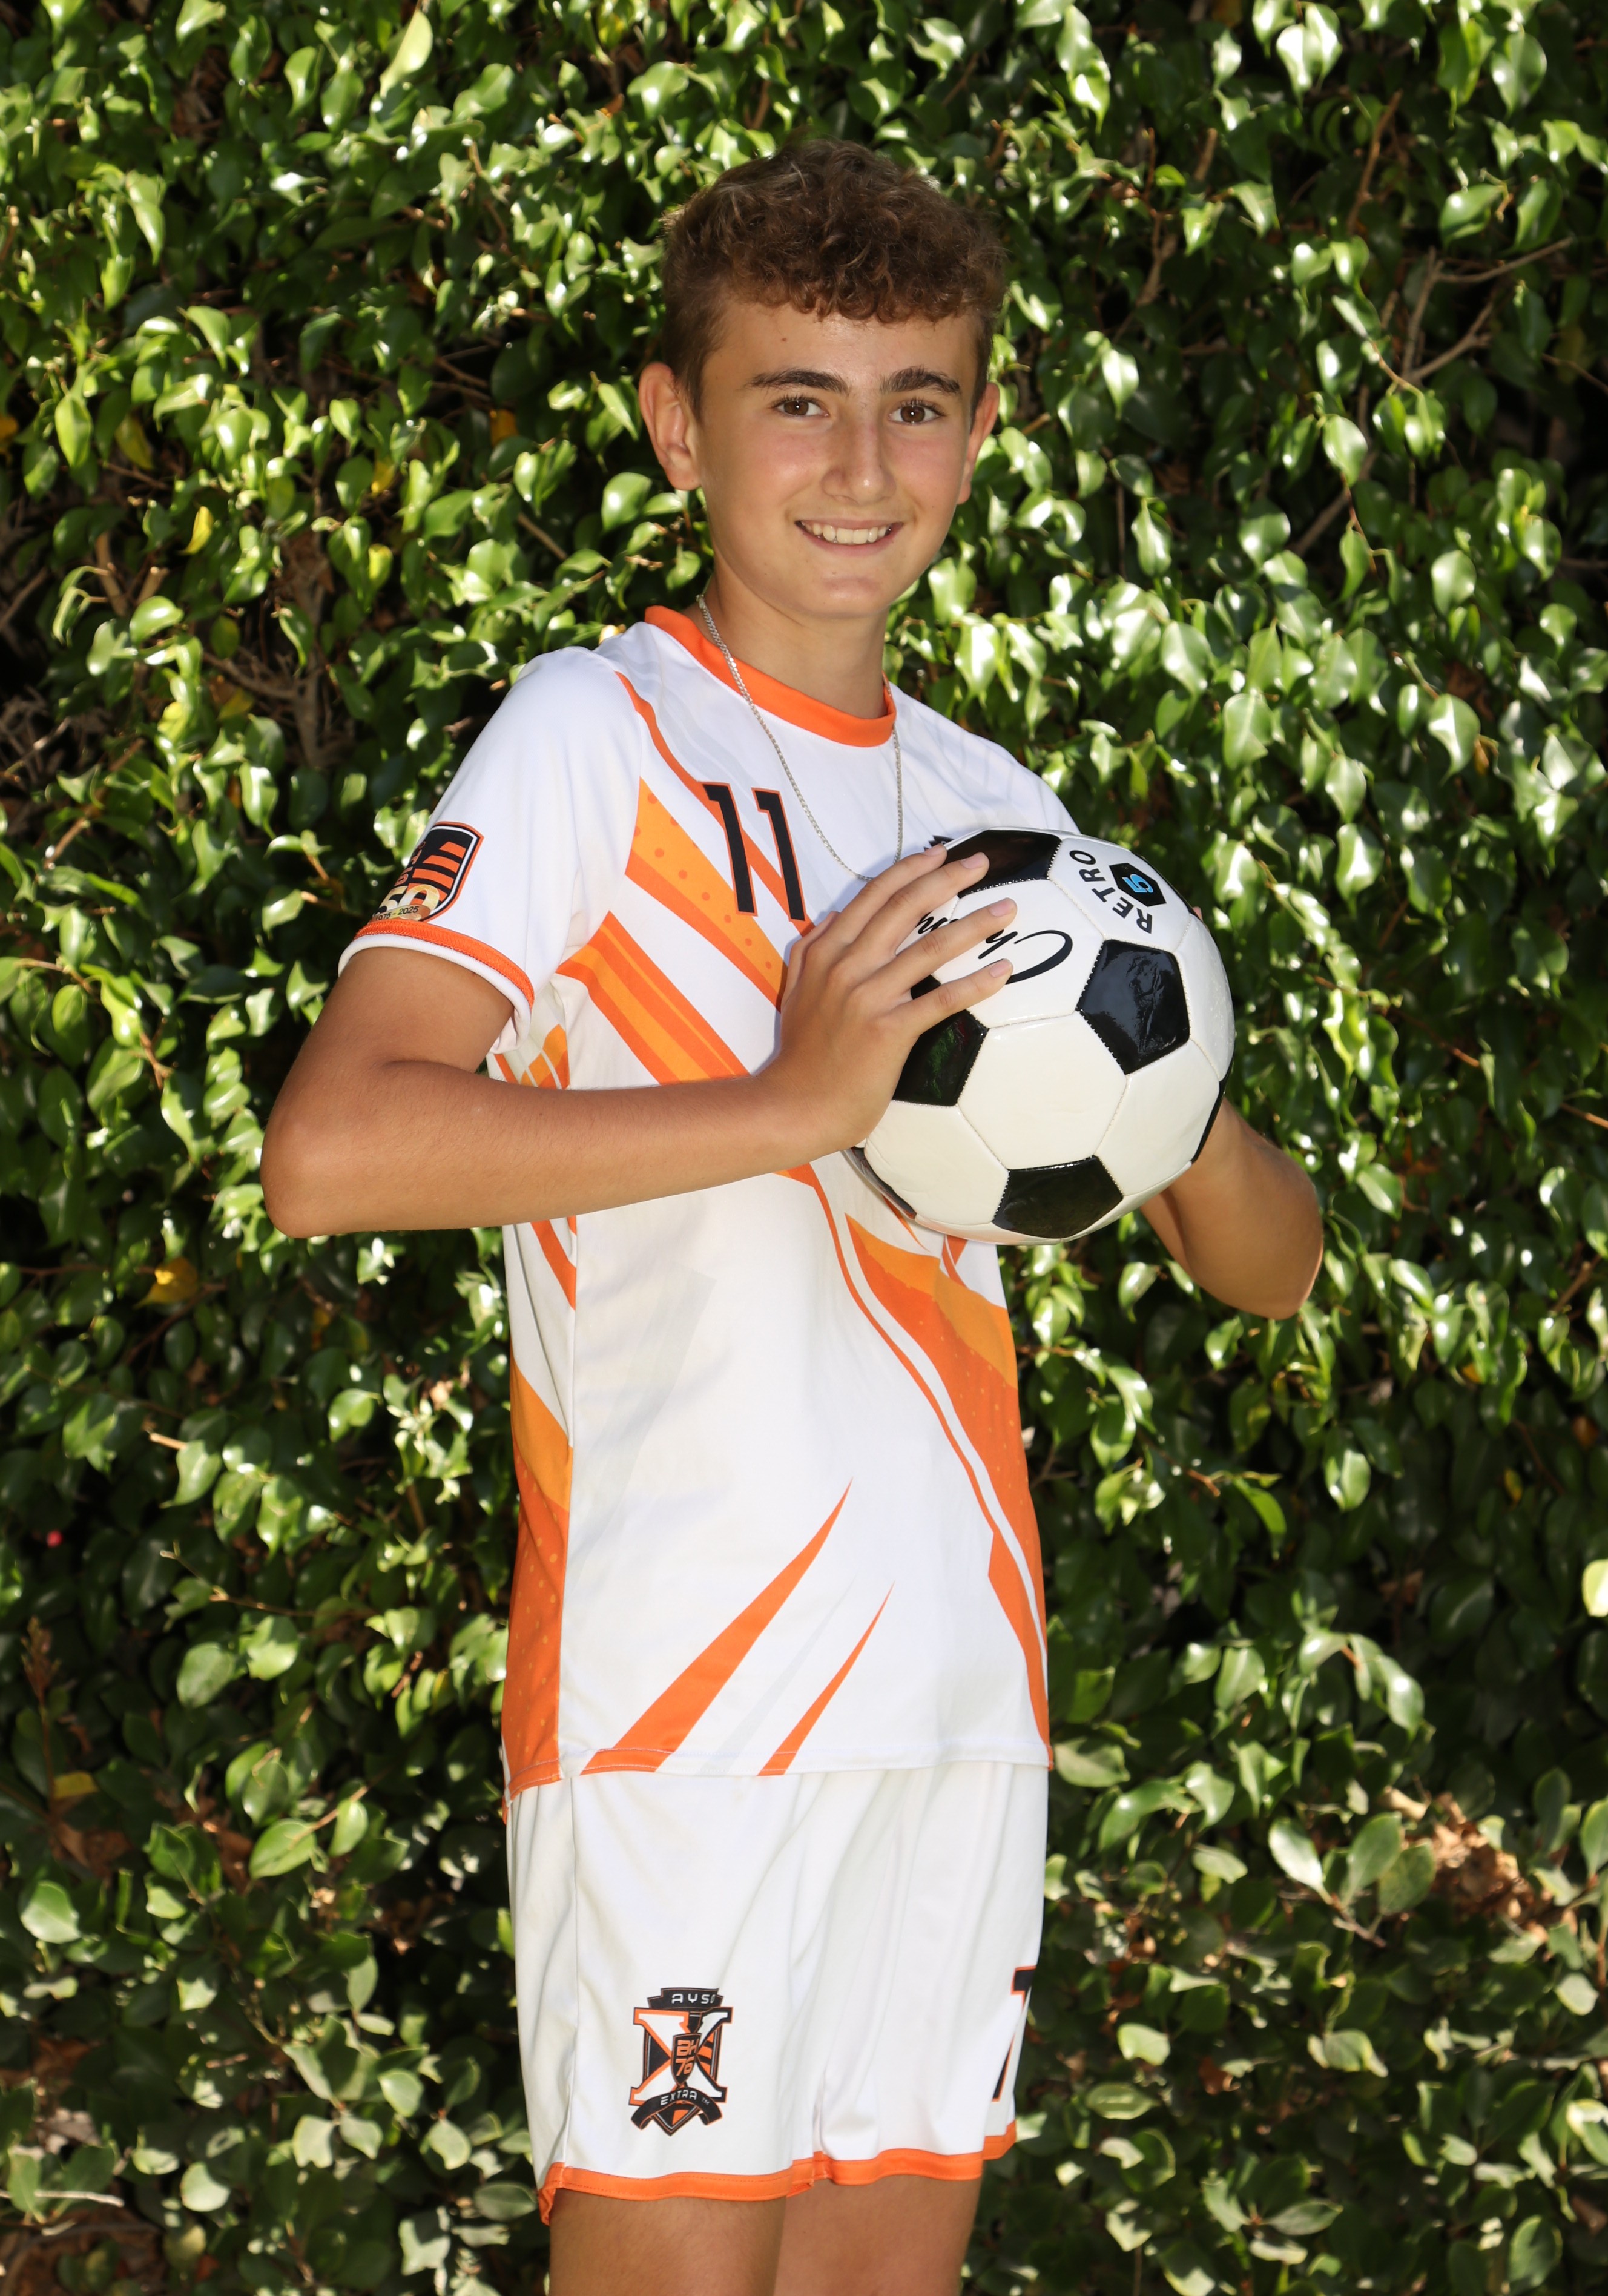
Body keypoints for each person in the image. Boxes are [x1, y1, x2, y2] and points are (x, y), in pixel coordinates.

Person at [262, 140, 1322, 2296]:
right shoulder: (596, 734)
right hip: (688, 1716)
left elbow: (1269, 1267)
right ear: (681, 426)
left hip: (957, 1709)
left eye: (916, 402)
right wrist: (792, 1107)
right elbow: (333, 1151)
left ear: (982, 430)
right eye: (797, 400)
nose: (860, 465)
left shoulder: (1001, 814)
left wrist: (1164, 1081)